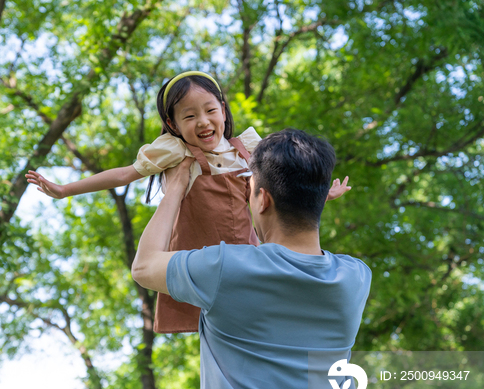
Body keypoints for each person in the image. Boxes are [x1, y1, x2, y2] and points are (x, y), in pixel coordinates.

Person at [26, 72, 350, 333]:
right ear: (173, 125)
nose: (203, 122)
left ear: (223, 109)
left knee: (258, 313)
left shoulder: (246, 147)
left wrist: (320, 194)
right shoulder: (177, 153)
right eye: (189, 116)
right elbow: (124, 174)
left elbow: (284, 185)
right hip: (202, 260)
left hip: (247, 254)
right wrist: (65, 190)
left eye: (210, 110)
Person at [131, 129, 372, 389]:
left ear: (262, 199)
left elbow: (144, 267)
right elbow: (291, 257)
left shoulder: (225, 269)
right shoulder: (356, 278)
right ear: (320, 198)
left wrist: (174, 188)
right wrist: (307, 198)